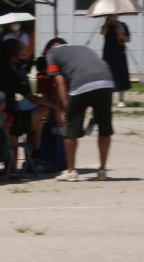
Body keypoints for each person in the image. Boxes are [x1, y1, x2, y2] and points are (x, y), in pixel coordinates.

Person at [44, 37, 115, 181]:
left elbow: (59, 81)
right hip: (107, 81)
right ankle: (102, 170)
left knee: (69, 129)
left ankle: (71, 171)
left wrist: (65, 108)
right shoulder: (82, 48)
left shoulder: (51, 53)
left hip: (81, 83)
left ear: (52, 46)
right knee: (104, 128)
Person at [0, 40, 59, 173]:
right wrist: (55, 107)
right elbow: (31, 97)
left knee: (38, 123)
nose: (25, 55)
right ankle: (34, 160)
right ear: (13, 57)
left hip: (9, 114)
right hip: (7, 119)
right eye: (22, 53)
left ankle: (34, 159)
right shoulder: (9, 73)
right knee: (44, 109)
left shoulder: (4, 69)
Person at [100, 15, 132, 107]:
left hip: (119, 53)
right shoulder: (106, 26)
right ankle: (108, 99)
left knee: (121, 75)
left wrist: (120, 34)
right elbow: (103, 33)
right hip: (108, 54)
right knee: (107, 76)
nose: (113, 18)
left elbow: (127, 39)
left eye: (114, 16)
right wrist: (107, 22)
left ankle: (121, 100)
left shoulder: (122, 25)